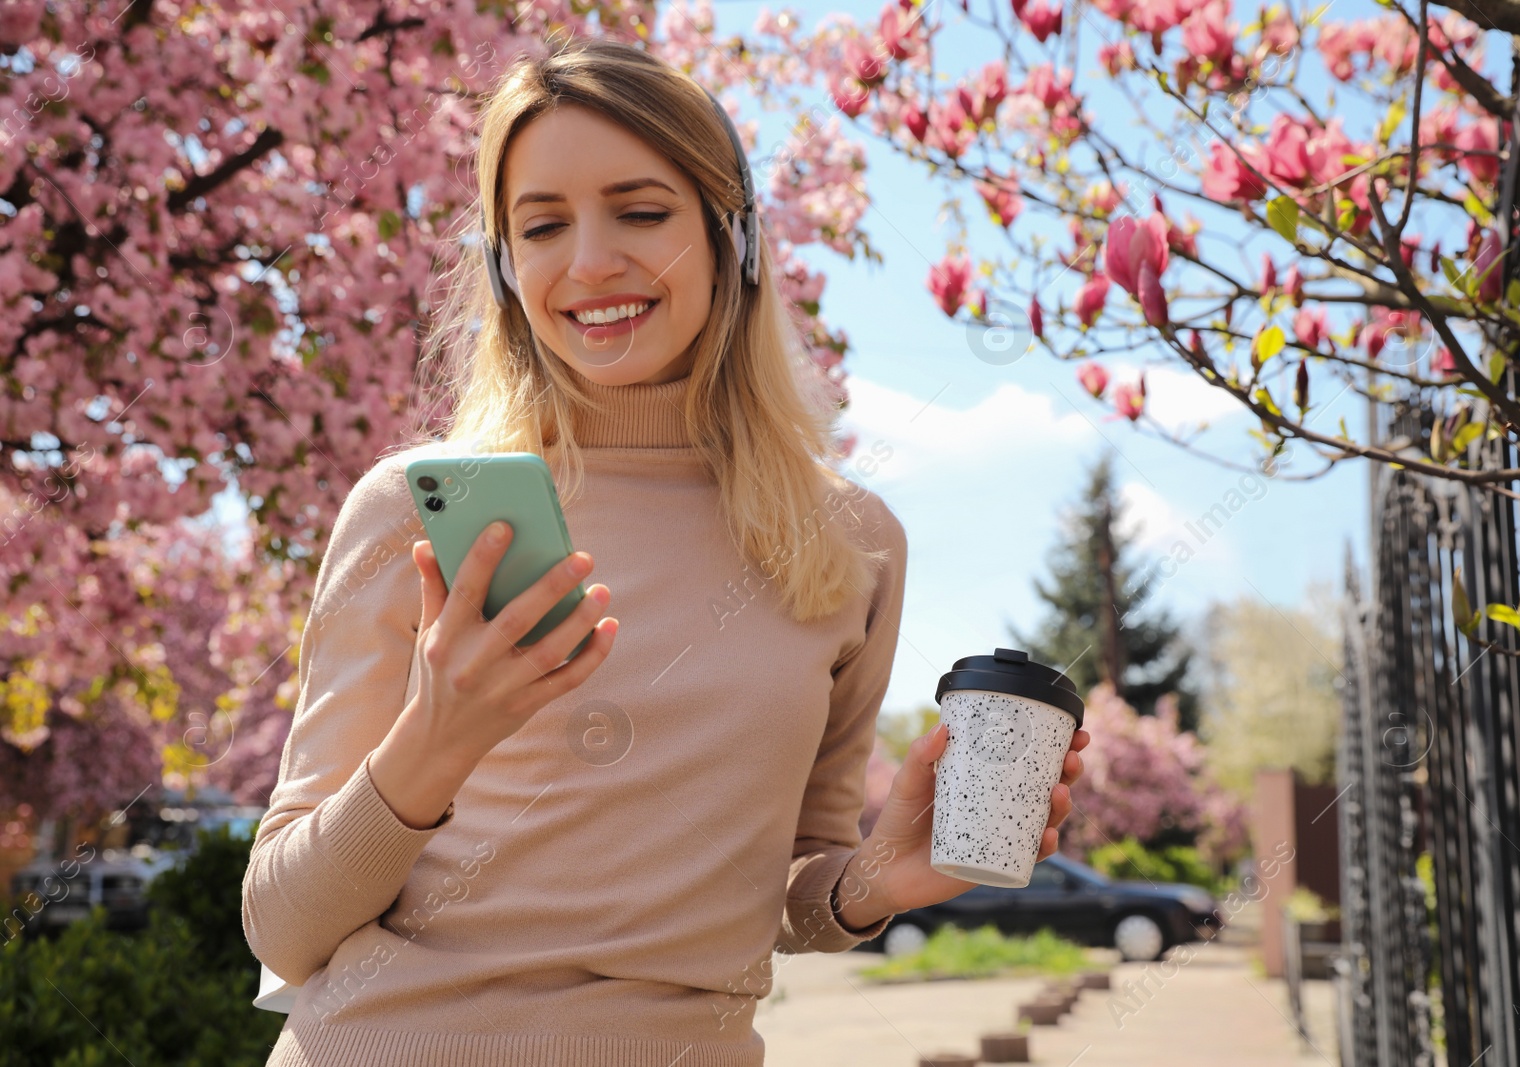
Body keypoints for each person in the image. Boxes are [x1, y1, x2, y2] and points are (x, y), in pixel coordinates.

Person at [241, 31, 1091, 1067]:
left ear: (731, 235)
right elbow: (280, 926)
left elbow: (785, 884)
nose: (590, 262)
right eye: (541, 225)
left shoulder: (849, 546)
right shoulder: (417, 514)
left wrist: (877, 878)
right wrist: (436, 738)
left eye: (641, 211)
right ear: (507, 266)